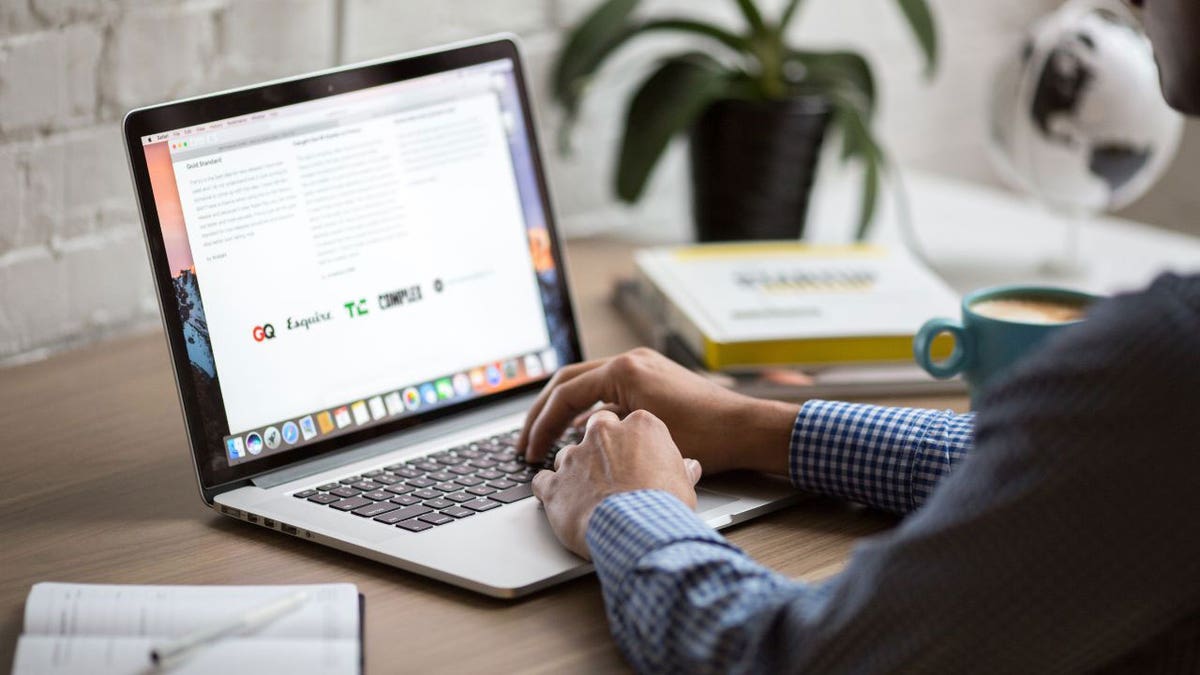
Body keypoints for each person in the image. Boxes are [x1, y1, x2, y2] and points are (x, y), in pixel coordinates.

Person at [518, 1, 1200, 672]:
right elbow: (1075, 468)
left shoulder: (1168, 356)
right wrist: (758, 426)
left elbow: (787, 656)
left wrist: (631, 508)